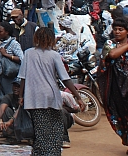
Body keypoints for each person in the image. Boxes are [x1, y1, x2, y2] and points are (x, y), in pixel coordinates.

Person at [18, 27, 85, 156]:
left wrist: (20, 96)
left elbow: (23, 77)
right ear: (51, 40)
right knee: (55, 129)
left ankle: (40, 153)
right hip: (51, 96)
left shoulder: (28, 53)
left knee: (40, 131)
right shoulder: (54, 55)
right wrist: (78, 97)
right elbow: (65, 78)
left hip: (33, 96)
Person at [99, 18, 128, 155]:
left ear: (127, 32)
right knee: (121, 117)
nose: (117, 32)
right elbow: (112, 55)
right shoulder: (109, 44)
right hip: (116, 88)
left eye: (120, 29)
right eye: (115, 29)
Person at [0, 21, 23, 95]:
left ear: (7, 32)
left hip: (10, 77)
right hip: (1, 76)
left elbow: (21, 59)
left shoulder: (14, 44)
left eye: (0, 31)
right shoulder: (2, 43)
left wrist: (6, 54)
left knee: (9, 97)